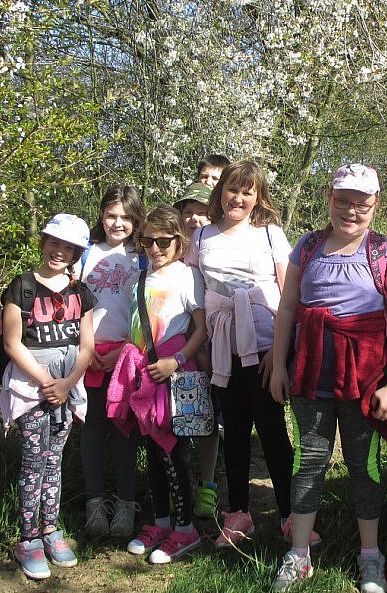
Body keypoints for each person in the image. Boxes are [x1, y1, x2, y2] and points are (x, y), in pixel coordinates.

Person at [270, 163, 387, 593]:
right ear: (330, 200)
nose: (351, 210)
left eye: (361, 204)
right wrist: (277, 365)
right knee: (309, 460)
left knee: (363, 465)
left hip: (365, 378)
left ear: (375, 205)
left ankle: (371, 555)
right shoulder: (307, 247)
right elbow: (288, 309)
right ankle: (299, 554)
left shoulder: (386, 253)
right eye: (343, 201)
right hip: (310, 373)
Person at [187, 160, 316, 548]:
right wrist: (200, 346)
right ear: (220, 191)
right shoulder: (202, 236)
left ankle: (290, 514)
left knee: (272, 429)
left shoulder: (270, 234)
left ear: (258, 198)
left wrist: (279, 352)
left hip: (264, 346)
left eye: (248, 192)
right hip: (222, 348)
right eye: (232, 189)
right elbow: (195, 294)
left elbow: (289, 292)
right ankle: (239, 513)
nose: (238, 198)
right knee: (235, 430)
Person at [0, 214, 96, 580]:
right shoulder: (22, 286)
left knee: (54, 461)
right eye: (54, 243)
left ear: (76, 254)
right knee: (32, 462)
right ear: (43, 243)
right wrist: (46, 382)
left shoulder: (80, 292)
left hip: (67, 387)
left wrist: (67, 384)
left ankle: (51, 530)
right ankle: (28, 538)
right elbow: (12, 343)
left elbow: (87, 345)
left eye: (68, 247)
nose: (59, 251)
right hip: (30, 388)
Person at [123, 205, 208, 563]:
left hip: (174, 376)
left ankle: (185, 529)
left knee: (174, 452)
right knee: (153, 453)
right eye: (147, 241)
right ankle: (160, 522)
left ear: (179, 241)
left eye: (163, 241)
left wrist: (179, 360)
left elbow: (202, 328)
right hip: (144, 377)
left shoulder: (187, 277)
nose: (155, 249)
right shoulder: (140, 278)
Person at [77, 186, 145, 539]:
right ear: (101, 215)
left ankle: (125, 503)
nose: (117, 223)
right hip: (87, 354)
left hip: (126, 356)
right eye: (111, 215)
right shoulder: (85, 253)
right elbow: (73, 304)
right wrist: (86, 350)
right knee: (91, 430)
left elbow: (147, 310)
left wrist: (125, 350)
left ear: (136, 220)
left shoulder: (142, 256)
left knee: (124, 430)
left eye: (126, 217)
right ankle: (94, 503)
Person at [173, 180, 220, 518]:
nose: (194, 219)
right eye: (188, 212)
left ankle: (209, 484)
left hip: (213, 346)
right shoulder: (167, 250)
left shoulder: (214, 250)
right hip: (177, 350)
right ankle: (179, 485)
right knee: (178, 418)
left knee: (209, 420)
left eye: (202, 213)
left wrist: (203, 350)